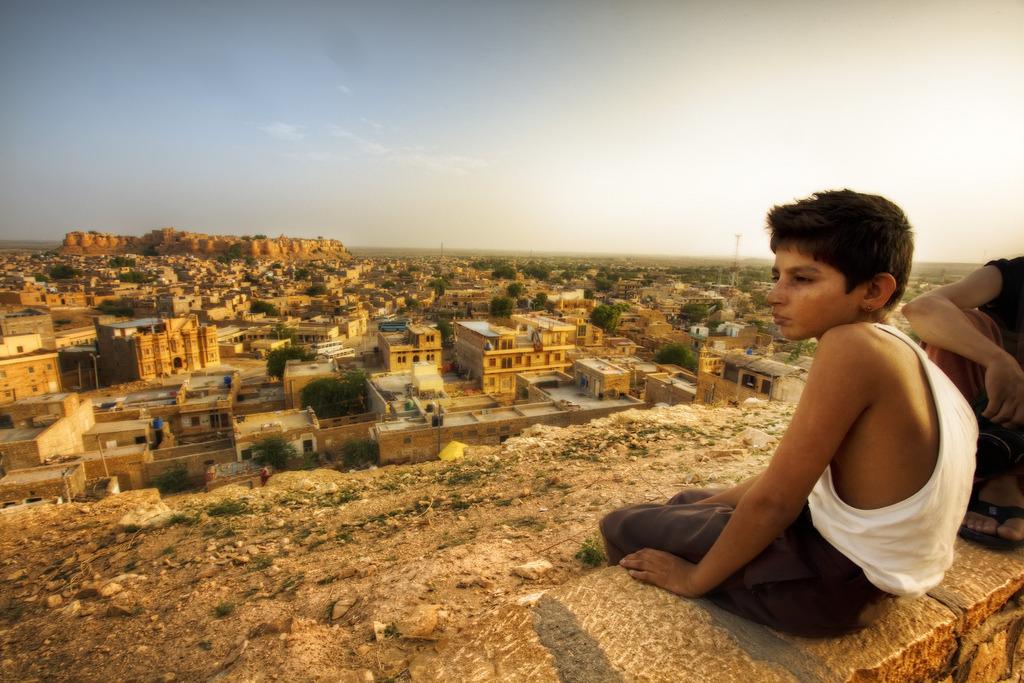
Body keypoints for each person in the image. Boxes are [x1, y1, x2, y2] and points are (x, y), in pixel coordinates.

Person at [600, 190, 978, 637]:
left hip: (831, 589)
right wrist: (696, 510)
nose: (775, 296)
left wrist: (693, 580)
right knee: (687, 503)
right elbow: (792, 484)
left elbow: (777, 504)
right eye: (777, 275)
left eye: (802, 279)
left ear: (873, 290)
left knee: (622, 524)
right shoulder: (898, 348)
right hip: (869, 572)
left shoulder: (851, 346)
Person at [902, 256, 1024, 547]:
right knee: (966, 322)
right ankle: (986, 473)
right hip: (998, 411)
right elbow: (922, 309)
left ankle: (1007, 477)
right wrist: (999, 361)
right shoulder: (1014, 274)